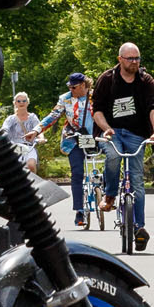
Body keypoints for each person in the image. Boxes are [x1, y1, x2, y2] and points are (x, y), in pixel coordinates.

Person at [91, 42, 154, 250]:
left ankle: (139, 227)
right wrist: (105, 128)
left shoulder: (145, 80)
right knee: (113, 157)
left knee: (137, 180)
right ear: (120, 59)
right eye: (130, 58)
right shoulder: (107, 79)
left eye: (137, 58)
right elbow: (97, 110)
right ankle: (110, 194)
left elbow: (153, 108)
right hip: (112, 132)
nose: (134, 62)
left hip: (136, 133)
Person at [37, 72, 96, 227]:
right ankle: (79, 211)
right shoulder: (65, 98)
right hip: (74, 138)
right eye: (69, 86)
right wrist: (37, 130)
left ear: (83, 85)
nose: (71, 89)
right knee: (77, 173)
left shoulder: (95, 97)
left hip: (95, 137)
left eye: (74, 87)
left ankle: (105, 195)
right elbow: (52, 116)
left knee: (111, 159)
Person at [2, 91, 44, 173]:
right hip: (15, 147)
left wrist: (41, 138)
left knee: (31, 165)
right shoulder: (11, 119)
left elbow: (39, 129)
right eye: (19, 101)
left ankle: (34, 183)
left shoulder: (32, 117)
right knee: (13, 168)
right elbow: (4, 129)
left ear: (27, 102)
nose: (21, 103)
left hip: (29, 147)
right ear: (15, 103)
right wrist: (3, 136)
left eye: (24, 101)